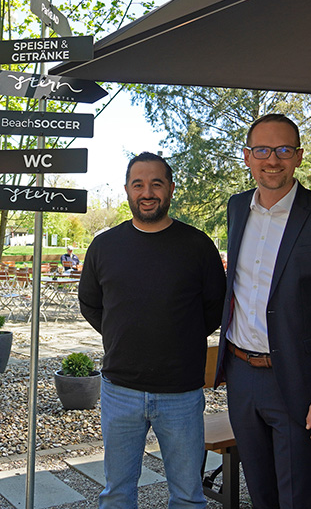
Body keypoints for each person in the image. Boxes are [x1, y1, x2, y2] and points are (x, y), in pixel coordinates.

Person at [214, 114, 311, 509]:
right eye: (262, 150)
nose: (272, 159)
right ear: (247, 157)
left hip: (299, 380)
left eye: (283, 150)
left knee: (297, 496)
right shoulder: (236, 208)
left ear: (298, 156)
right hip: (242, 376)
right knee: (261, 493)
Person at [79, 152, 226, 509]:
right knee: (116, 493)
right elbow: (91, 304)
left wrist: (181, 335)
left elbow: (216, 307)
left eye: (156, 183)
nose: (147, 192)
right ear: (127, 190)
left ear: (171, 189)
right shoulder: (104, 245)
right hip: (120, 390)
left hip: (181, 392)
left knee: (188, 496)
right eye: (138, 184)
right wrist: (121, 334)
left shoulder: (197, 245)